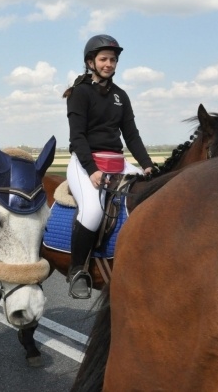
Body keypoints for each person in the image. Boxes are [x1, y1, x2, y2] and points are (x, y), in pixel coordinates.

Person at [63, 34, 154, 299]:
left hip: (117, 162)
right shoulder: (79, 93)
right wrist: (91, 170)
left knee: (152, 193)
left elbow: (131, 135)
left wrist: (147, 166)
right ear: (90, 62)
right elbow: (77, 137)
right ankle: (77, 270)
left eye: (113, 60)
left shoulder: (120, 96)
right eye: (104, 59)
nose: (109, 64)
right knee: (92, 211)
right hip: (86, 162)